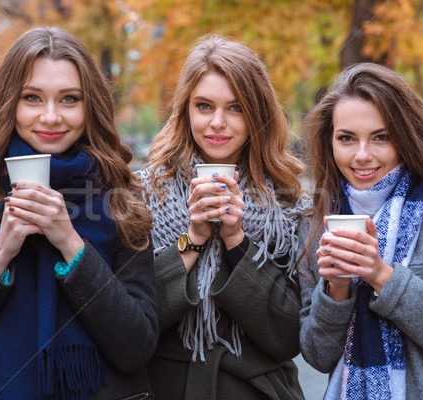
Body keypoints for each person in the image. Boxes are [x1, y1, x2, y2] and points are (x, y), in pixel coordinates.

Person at [0, 27, 158, 400]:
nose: (50, 116)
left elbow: (136, 346)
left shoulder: (120, 194)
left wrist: (71, 244)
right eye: (32, 98)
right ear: (9, 102)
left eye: (69, 99)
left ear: (89, 105)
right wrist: (0, 254)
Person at [299, 62, 423, 399]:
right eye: (346, 138)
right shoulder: (316, 223)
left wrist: (380, 275)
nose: (362, 155)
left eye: (380, 137)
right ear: (329, 142)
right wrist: (336, 289)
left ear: (404, 138)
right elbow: (317, 355)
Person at [137, 34, 312, 399]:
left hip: (258, 389)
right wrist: (194, 237)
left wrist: (236, 239)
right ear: (185, 109)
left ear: (258, 114)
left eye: (235, 108)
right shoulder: (145, 194)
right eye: (204, 106)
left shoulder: (291, 203)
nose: (218, 122)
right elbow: (133, 321)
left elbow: (290, 334)